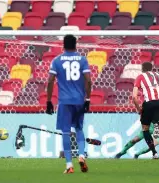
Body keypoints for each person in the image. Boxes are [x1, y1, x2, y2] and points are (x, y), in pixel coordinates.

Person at [46, 35, 92, 174]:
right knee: (79, 129)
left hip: (64, 101)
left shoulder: (57, 60)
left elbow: (50, 81)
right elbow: (89, 81)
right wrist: (88, 99)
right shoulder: (82, 59)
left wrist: (48, 101)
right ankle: (82, 156)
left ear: (63, 46)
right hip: (79, 100)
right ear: (76, 45)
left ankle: (69, 165)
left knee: (66, 132)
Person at [115, 95, 159, 159]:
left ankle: (137, 154)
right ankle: (122, 152)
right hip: (151, 127)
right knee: (134, 140)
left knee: (152, 145)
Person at [132, 62, 159, 159]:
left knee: (145, 129)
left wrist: (139, 109)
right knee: (158, 126)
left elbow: (134, 97)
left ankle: (154, 153)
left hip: (148, 104)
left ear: (142, 69)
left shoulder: (140, 77)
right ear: (152, 69)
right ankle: (157, 126)